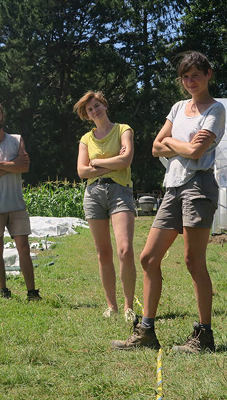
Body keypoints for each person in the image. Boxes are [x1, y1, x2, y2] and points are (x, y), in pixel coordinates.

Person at [112, 51, 226, 353]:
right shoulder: (177, 108)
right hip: (173, 187)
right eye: (185, 77)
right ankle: (146, 332)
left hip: (199, 186)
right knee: (148, 258)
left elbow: (195, 152)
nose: (190, 81)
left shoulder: (215, 109)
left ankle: (204, 336)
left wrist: (175, 145)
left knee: (193, 261)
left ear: (208, 75)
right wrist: (183, 146)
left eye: (196, 75)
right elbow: (154, 147)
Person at [74, 91, 136, 321]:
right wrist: (114, 162)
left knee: (125, 250)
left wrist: (97, 162)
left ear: (105, 106)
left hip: (120, 191)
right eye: (90, 109)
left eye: (97, 105)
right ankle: (112, 305)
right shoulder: (85, 139)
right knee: (103, 254)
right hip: (94, 194)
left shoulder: (123, 130)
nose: (95, 111)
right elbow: (82, 171)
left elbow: (126, 160)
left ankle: (129, 306)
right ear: (87, 115)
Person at [0, 100, 41, 301]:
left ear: (2, 116)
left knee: (24, 248)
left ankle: (32, 292)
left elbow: (24, 167)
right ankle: (3, 291)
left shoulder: (17, 140)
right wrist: (11, 164)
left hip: (16, 204)